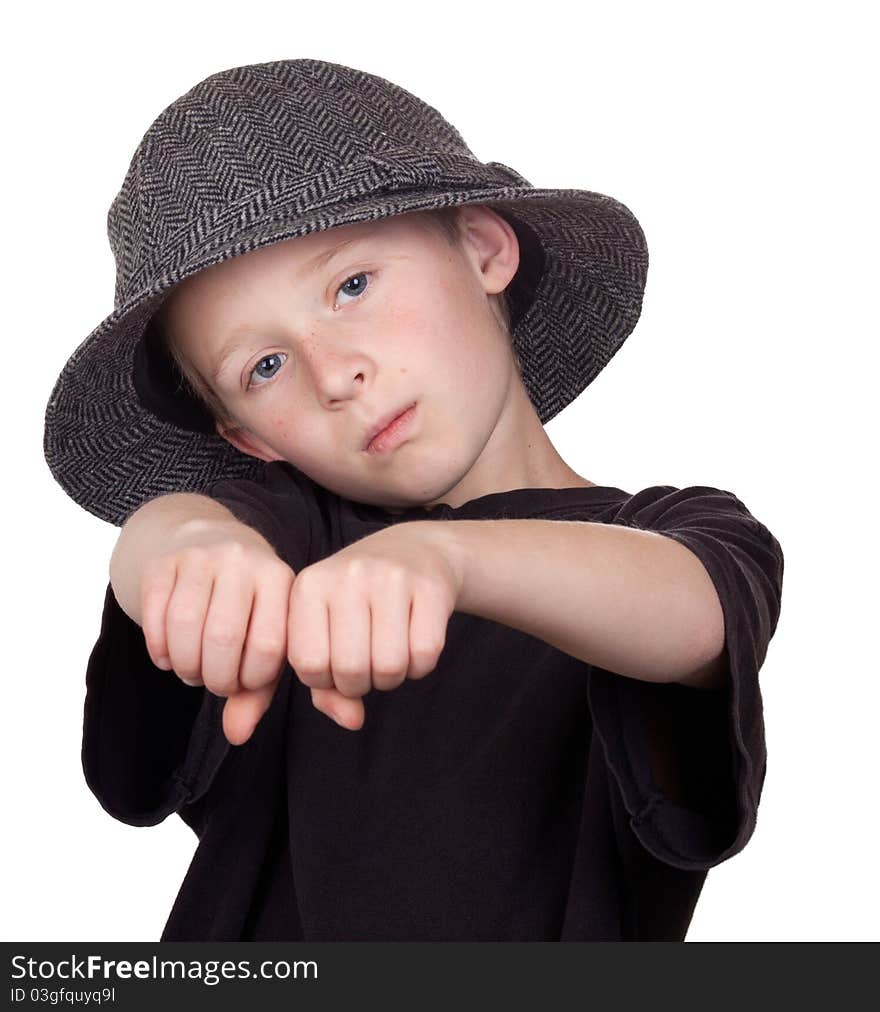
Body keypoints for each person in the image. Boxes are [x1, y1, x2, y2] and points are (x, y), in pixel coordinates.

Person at [43, 58, 784, 941]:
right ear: (250, 439)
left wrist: (444, 560)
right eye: (265, 367)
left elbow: (693, 612)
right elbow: (164, 535)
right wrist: (190, 541)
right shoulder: (293, 537)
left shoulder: (671, 536)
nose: (335, 374)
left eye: (352, 286)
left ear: (484, 248)